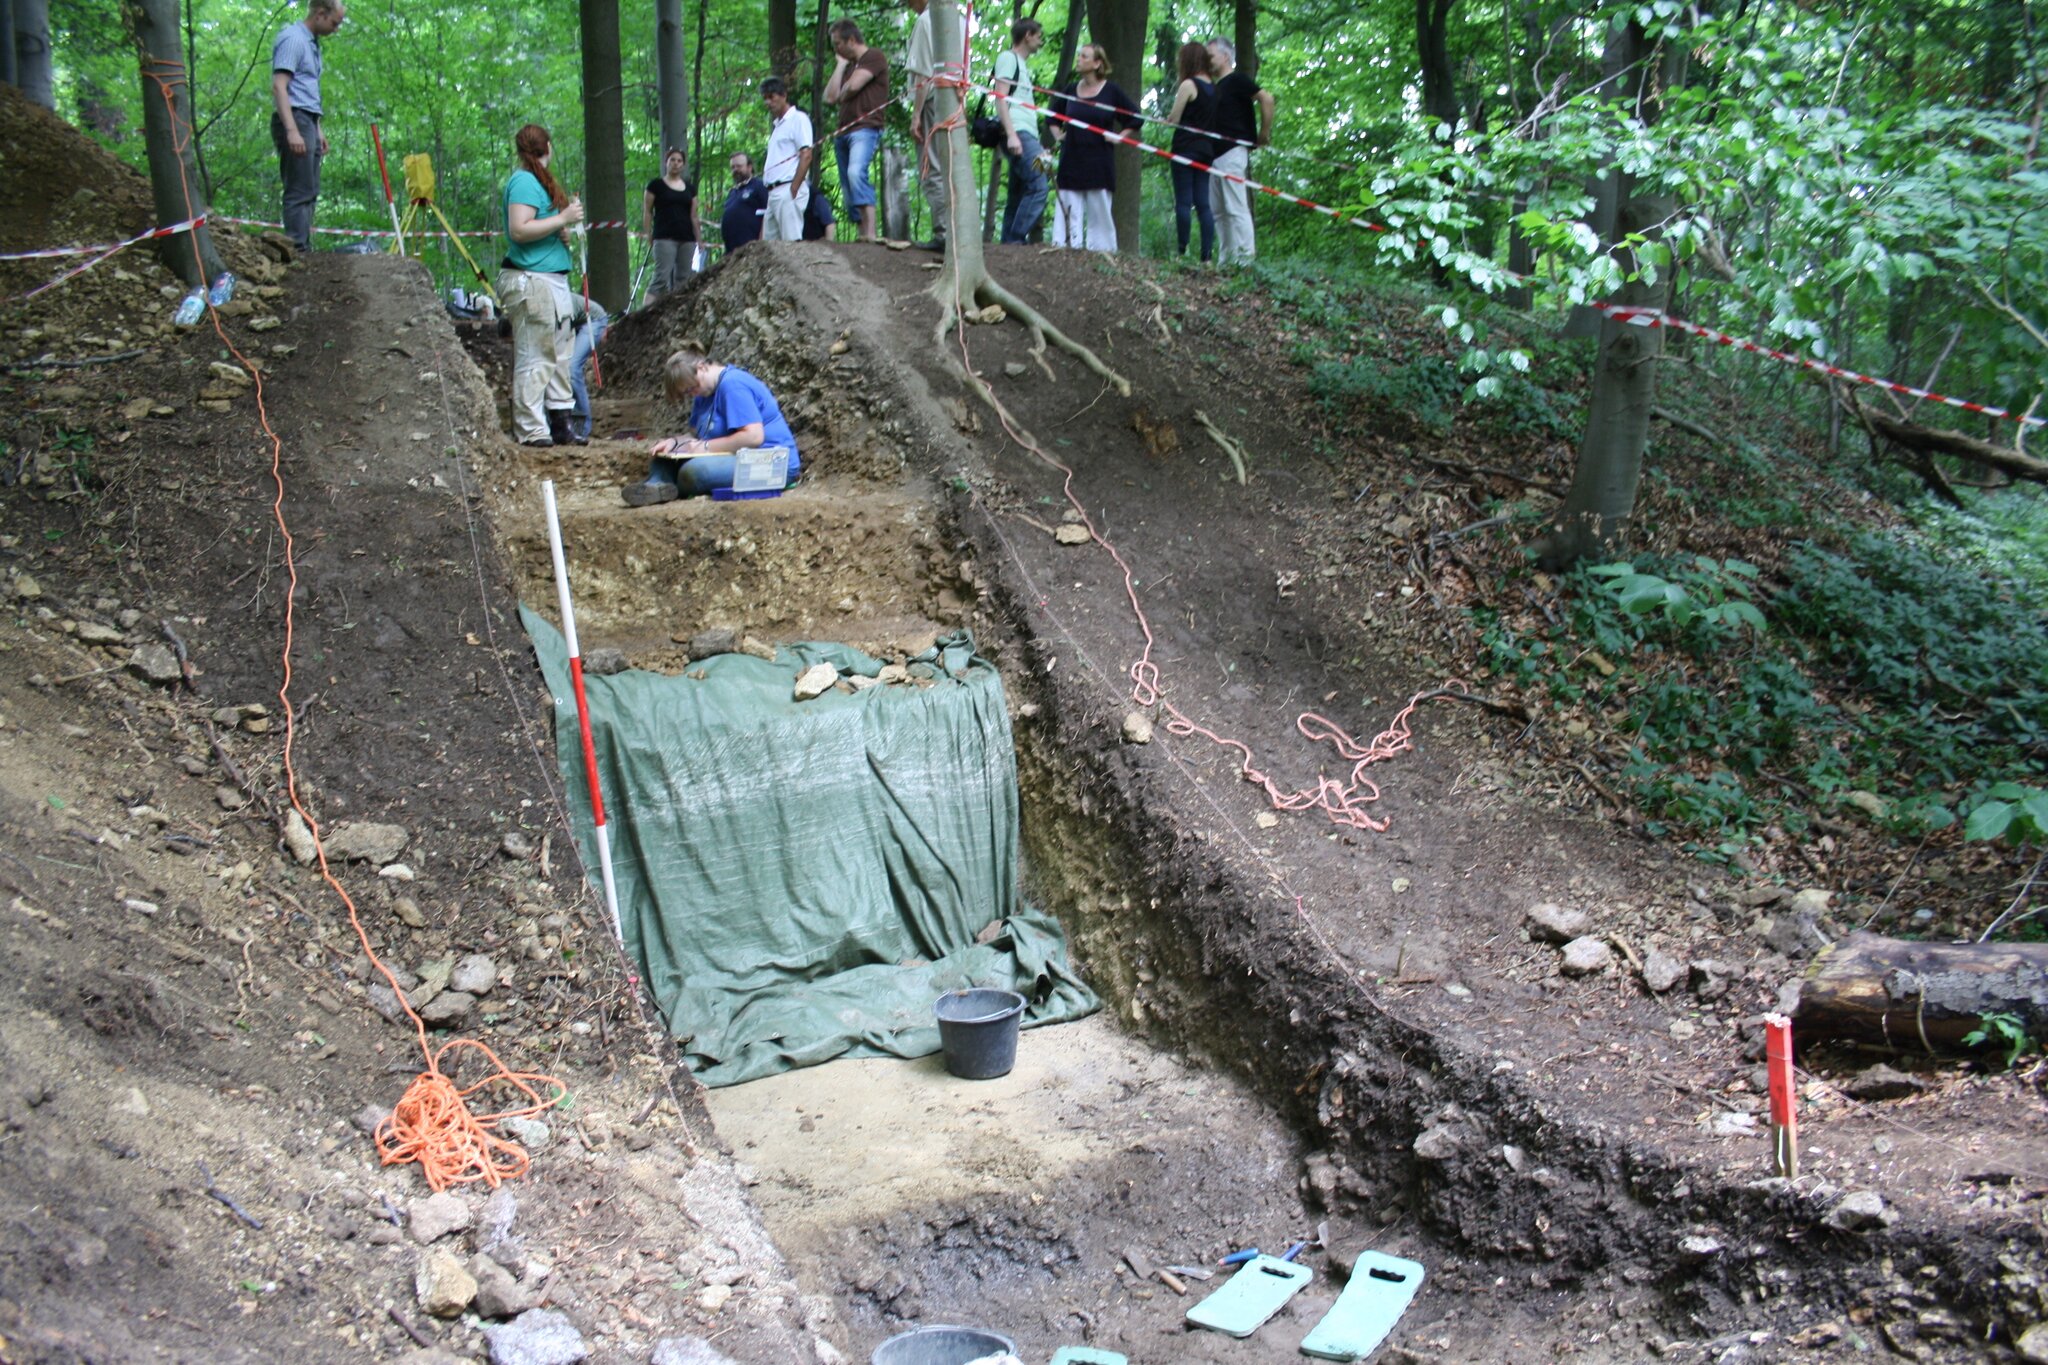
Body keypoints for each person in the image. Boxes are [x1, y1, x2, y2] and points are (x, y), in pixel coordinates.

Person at [497, 124, 584, 448]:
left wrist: (559, 232)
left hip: (552, 279)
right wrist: (562, 219)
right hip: (530, 280)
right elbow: (519, 229)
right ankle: (532, 429)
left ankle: (561, 424)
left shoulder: (540, 181)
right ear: (547, 146)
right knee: (535, 354)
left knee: (560, 353)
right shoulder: (524, 181)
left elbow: (537, 226)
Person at [623, 349, 802, 505]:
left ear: (702, 367)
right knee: (662, 460)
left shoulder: (732, 385)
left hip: (771, 463)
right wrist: (674, 442)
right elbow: (695, 436)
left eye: (692, 388)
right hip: (735, 457)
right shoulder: (703, 393)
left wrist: (706, 447)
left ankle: (665, 486)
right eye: (687, 392)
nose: (692, 394)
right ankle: (656, 488)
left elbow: (753, 437)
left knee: (695, 471)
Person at [269, 0, 346, 254]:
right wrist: (292, 130)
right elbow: (280, 86)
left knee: (310, 189)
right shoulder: (293, 39)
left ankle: (303, 248)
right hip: (294, 118)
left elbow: (306, 89)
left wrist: (317, 128)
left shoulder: (311, 44)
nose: (336, 29)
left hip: (308, 119)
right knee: (299, 189)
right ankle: (296, 250)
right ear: (320, 14)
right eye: (334, 23)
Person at [1048, 45, 1138, 252]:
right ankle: (1065, 249)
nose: (1078, 59)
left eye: (1084, 56)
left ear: (1097, 63)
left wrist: (1119, 137)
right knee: (1068, 208)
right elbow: (1052, 116)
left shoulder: (1111, 91)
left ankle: (1102, 253)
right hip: (1071, 160)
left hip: (1100, 162)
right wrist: (1059, 136)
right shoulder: (1071, 90)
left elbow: (1135, 118)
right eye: (1078, 55)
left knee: (1100, 211)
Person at [1206, 38, 1275, 265]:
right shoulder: (1215, 88)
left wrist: (1263, 133)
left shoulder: (1237, 80)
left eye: (1211, 55)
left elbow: (1266, 98)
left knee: (1235, 207)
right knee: (1219, 210)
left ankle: (1246, 261)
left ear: (1225, 57)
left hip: (1233, 151)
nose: (1207, 60)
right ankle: (1226, 261)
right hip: (1213, 155)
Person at [823, 19, 888, 243]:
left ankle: (871, 233)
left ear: (851, 40)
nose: (836, 50)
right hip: (843, 131)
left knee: (856, 173)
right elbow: (830, 97)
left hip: (865, 127)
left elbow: (853, 87)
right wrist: (840, 66)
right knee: (848, 184)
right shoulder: (848, 66)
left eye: (837, 44)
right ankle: (862, 235)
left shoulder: (873, 57)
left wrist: (843, 91)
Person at [991, 19, 1049, 244]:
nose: (1040, 41)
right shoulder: (1008, 58)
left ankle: (1008, 247)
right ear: (1027, 35)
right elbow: (1000, 97)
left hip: (1027, 134)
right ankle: (1016, 240)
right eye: (1038, 36)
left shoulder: (1022, 64)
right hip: (1018, 132)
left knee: (1019, 190)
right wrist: (1011, 134)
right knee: (1039, 184)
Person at [1166, 42, 1220, 263]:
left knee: (1184, 202)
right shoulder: (1215, 89)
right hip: (1206, 151)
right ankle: (1206, 257)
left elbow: (1175, 118)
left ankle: (1182, 252)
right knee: (1204, 204)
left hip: (1185, 148)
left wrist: (1168, 119)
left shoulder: (1188, 85)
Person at [903, 0, 950, 249]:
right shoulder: (958, 19)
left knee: (931, 167)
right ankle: (955, 231)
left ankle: (943, 233)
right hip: (955, 103)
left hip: (931, 102)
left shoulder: (925, 21)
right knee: (950, 166)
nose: (909, 5)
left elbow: (923, 73)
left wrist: (916, 115)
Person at [759, 78, 814, 241]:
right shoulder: (778, 126)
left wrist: (793, 189)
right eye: (765, 98)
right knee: (771, 248)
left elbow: (806, 154)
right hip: (772, 192)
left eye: (771, 97)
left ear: (783, 95)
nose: (768, 102)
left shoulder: (798, 119)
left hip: (787, 188)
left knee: (791, 244)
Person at [642, 148, 699, 296]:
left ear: (683, 165)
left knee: (684, 280)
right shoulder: (655, 185)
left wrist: (699, 239)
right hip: (664, 237)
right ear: (666, 162)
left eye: (679, 161)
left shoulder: (690, 189)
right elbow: (647, 211)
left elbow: (694, 215)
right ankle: (646, 309)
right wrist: (647, 234)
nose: (675, 163)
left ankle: (679, 309)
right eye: (672, 160)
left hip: (687, 238)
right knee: (661, 278)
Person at [568, 296, 608, 444]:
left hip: (594, 319)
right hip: (575, 321)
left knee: (572, 368)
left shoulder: (554, 303)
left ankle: (582, 428)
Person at [720, 152, 769, 252]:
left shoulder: (759, 186)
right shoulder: (732, 192)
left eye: (739, 166)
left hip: (751, 247)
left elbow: (767, 213)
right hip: (731, 250)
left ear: (749, 167)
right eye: (733, 167)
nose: (735, 170)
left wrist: (761, 242)